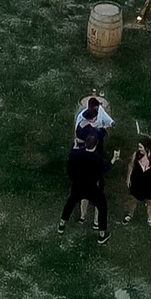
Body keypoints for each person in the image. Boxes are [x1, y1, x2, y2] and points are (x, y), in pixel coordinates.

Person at [60, 93, 114, 239]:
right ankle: (100, 229)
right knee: (102, 205)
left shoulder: (76, 152)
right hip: (92, 185)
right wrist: (113, 160)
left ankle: (65, 223)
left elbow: (70, 167)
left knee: (71, 201)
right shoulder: (97, 156)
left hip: (78, 183)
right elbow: (103, 169)